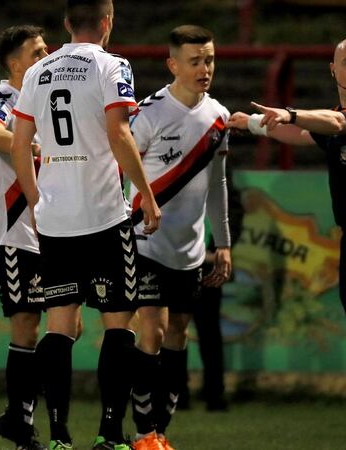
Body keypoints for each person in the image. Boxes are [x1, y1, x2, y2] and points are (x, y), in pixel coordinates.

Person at [228, 37, 346, 450]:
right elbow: (305, 135)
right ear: (333, 70)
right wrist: (253, 124)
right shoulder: (338, 115)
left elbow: (332, 125)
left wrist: (290, 111)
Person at [10, 1, 161, 449]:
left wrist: (38, 201)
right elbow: (119, 133)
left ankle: (58, 435)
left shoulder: (39, 71)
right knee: (118, 324)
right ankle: (109, 434)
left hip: (56, 220)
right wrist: (147, 195)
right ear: (107, 22)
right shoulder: (113, 65)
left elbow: (21, 145)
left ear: (66, 23)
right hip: (103, 216)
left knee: (59, 326)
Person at [127, 25, 232, 450]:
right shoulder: (148, 113)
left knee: (178, 335)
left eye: (209, 59)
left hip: (189, 249)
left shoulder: (219, 117)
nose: (204, 68)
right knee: (151, 331)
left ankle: (159, 432)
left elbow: (218, 184)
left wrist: (222, 242)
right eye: (195, 61)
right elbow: (118, 173)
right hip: (143, 241)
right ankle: (142, 433)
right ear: (173, 64)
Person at [0, 25, 49, 450]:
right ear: (14, 63)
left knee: (65, 326)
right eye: (36, 52)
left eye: (46, 50)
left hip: (55, 228)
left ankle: (17, 415)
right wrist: (36, 148)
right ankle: (22, 424)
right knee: (27, 325)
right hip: (17, 231)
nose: (45, 56)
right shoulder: (1, 101)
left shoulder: (48, 99)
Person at [192, 152, 244, 412]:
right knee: (167, 326)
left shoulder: (216, 155)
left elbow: (231, 206)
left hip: (207, 260)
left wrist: (220, 248)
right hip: (173, 255)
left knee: (208, 329)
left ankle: (214, 393)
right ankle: (173, 394)